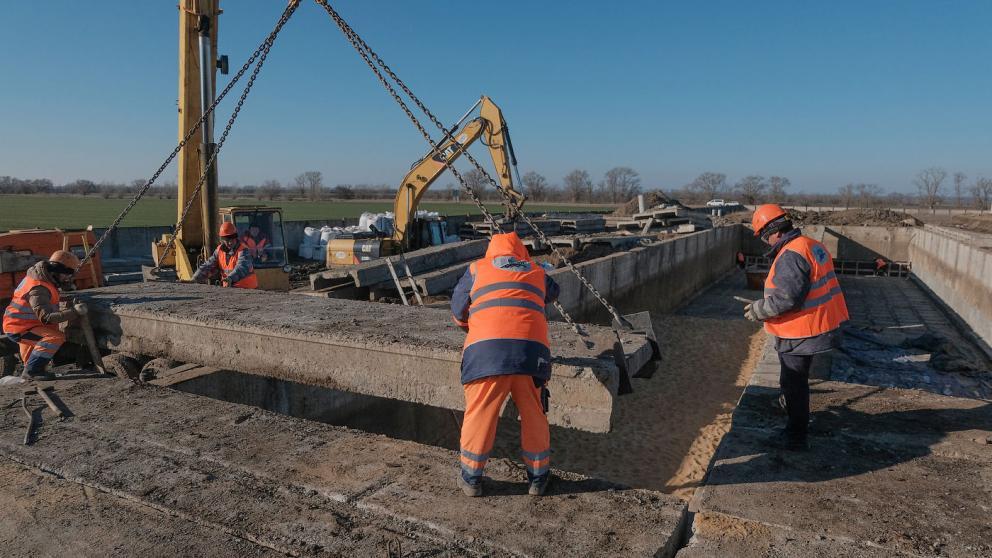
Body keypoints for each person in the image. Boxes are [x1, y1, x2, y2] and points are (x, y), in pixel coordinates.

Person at [450, 232, 559, 497]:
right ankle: (538, 478)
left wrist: (471, 324)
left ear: (491, 252)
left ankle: (472, 479)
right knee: (534, 413)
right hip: (531, 355)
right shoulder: (535, 270)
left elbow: (457, 310)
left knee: (480, 413)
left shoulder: (477, 269)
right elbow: (554, 292)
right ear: (521, 252)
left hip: (486, 354)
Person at [745, 204, 849, 450]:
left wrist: (759, 310)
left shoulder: (791, 255)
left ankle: (795, 436)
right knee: (796, 380)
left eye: (764, 236)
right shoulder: (811, 245)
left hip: (800, 330)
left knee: (793, 382)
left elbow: (788, 299)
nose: (765, 242)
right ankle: (793, 417)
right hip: (819, 323)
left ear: (774, 231)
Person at [2, 251, 88, 380]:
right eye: (66, 274)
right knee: (55, 337)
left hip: (21, 324)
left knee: (31, 358)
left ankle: (30, 373)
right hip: (20, 328)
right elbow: (46, 318)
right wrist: (74, 312)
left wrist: (63, 285)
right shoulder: (39, 288)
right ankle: (32, 372)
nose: (67, 278)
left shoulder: (40, 277)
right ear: (56, 271)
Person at [191, 222, 258, 288]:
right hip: (230, 289)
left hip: (248, 289)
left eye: (233, 238)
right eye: (227, 239)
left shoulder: (243, 250)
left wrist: (230, 278)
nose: (230, 242)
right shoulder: (219, 251)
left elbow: (242, 268)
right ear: (222, 239)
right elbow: (208, 266)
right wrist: (195, 278)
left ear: (236, 237)